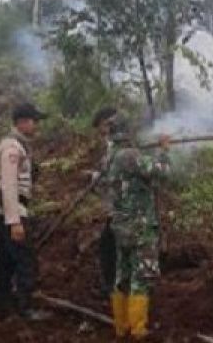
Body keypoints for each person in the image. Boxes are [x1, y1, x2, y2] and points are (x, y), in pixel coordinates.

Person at [106, 118, 171, 340]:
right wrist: (163, 151)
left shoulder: (110, 156)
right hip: (139, 226)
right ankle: (138, 329)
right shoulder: (129, 155)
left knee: (122, 276)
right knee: (141, 277)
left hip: (120, 225)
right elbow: (161, 172)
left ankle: (121, 326)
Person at [0, 102, 48, 320]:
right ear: (22, 122)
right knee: (25, 259)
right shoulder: (12, 148)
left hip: (5, 209)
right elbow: (9, 185)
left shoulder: (19, 145)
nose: (36, 125)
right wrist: (14, 221)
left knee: (6, 259)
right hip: (10, 210)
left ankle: (0, 304)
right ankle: (26, 308)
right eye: (34, 121)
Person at [91, 106, 120, 298]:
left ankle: (113, 288)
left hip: (121, 208)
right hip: (115, 207)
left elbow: (114, 175)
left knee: (109, 246)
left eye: (103, 125)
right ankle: (113, 286)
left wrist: (97, 178)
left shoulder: (118, 146)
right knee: (108, 246)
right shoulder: (112, 145)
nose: (102, 131)